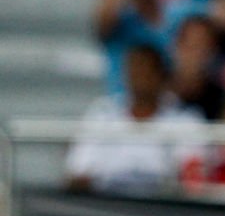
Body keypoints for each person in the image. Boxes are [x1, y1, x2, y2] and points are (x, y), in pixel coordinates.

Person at [66, 45, 205, 196]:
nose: (140, 77)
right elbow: (79, 172)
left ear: (161, 75)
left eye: (147, 71)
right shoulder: (102, 113)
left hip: (166, 207)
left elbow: (191, 180)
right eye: (135, 71)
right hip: (108, 204)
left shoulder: (186, 119)